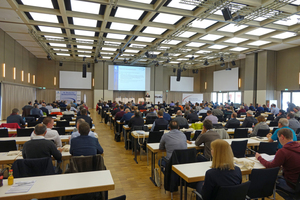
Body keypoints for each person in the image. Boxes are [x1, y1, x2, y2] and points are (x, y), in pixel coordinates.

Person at [256, 128, 300, 194]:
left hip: (290, 183)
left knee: (268, 179)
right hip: (297, 181)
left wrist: (259, 158)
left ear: (282, 136)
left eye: (278, 137)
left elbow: (271, 166)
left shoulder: (283, 151)